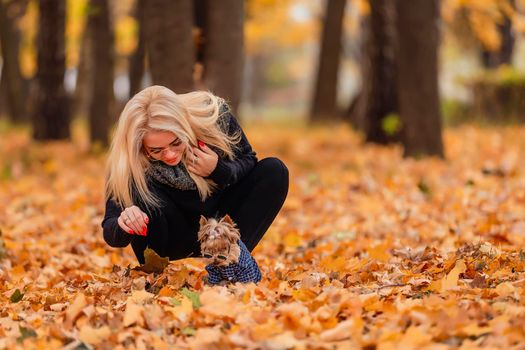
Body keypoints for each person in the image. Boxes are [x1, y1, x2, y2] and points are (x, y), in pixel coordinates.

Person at [101, 85, 289, 264]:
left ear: (185, 127)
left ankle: (231, 261)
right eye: (156, 150)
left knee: (274, 170)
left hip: (219, 226)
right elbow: (111, 233)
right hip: (169, 239)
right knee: (139, 191)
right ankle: (155, 271)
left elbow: (248, 160)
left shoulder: (214, 118)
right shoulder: (126, 162)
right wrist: (125, 223)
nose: (170, 155)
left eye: (176, 143)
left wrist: (218, 170)